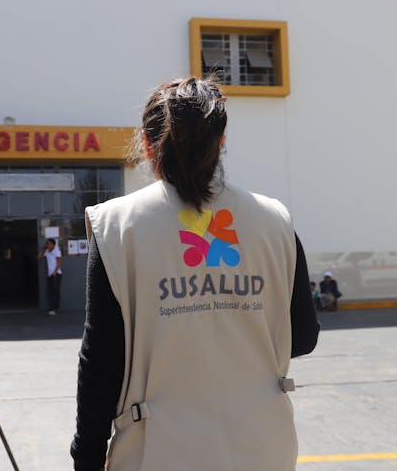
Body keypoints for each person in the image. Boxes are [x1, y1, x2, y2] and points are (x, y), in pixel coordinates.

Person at [70, 77, 320, 471]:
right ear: (220, 142)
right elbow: (303, 337)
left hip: (157, 450)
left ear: (148, 145)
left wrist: (86, 461)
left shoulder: (118, 226)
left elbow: (101, 364)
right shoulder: (274, 220)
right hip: (264, 447)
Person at [38, 238, 63, 316]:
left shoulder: (57, 252)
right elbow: (39, 257)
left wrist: (55, 272)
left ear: (53, 244)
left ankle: (54, 309)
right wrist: (43, 248)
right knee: (50, 292)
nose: (47, 245)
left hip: (56, 274)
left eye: (48, 243)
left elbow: (59, 262)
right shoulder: (47, 252)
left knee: (55, 292)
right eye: (47, 244)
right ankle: (51, 309)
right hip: (50, 275)